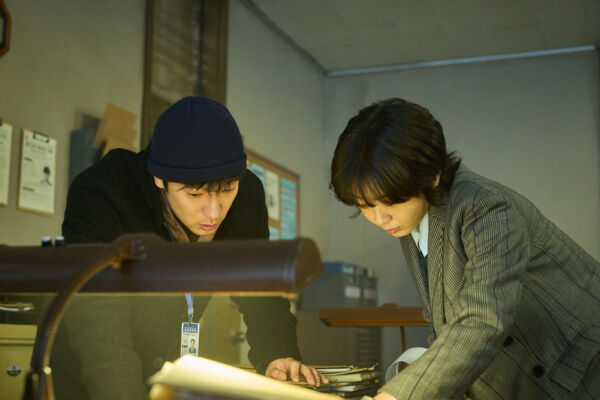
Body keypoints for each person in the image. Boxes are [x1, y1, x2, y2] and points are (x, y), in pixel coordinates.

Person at [56, 96, 326, 399]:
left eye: (227, 190)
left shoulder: (247, 195)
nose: (214, 212)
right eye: (195, 195)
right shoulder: (103, 193)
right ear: (160, 178)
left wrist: (278, 354)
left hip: (168, 375)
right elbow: (99, 326)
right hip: (90, 380)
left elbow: (261, 289)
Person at [329, 98, 600, 400]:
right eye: (366, 205)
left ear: (432, 174)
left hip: (580, 375)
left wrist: (396, 396)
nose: (380, 218)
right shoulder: (412, 220)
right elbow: (445, 321)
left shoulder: (484, 207)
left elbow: (482, 320)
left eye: (391, 201)